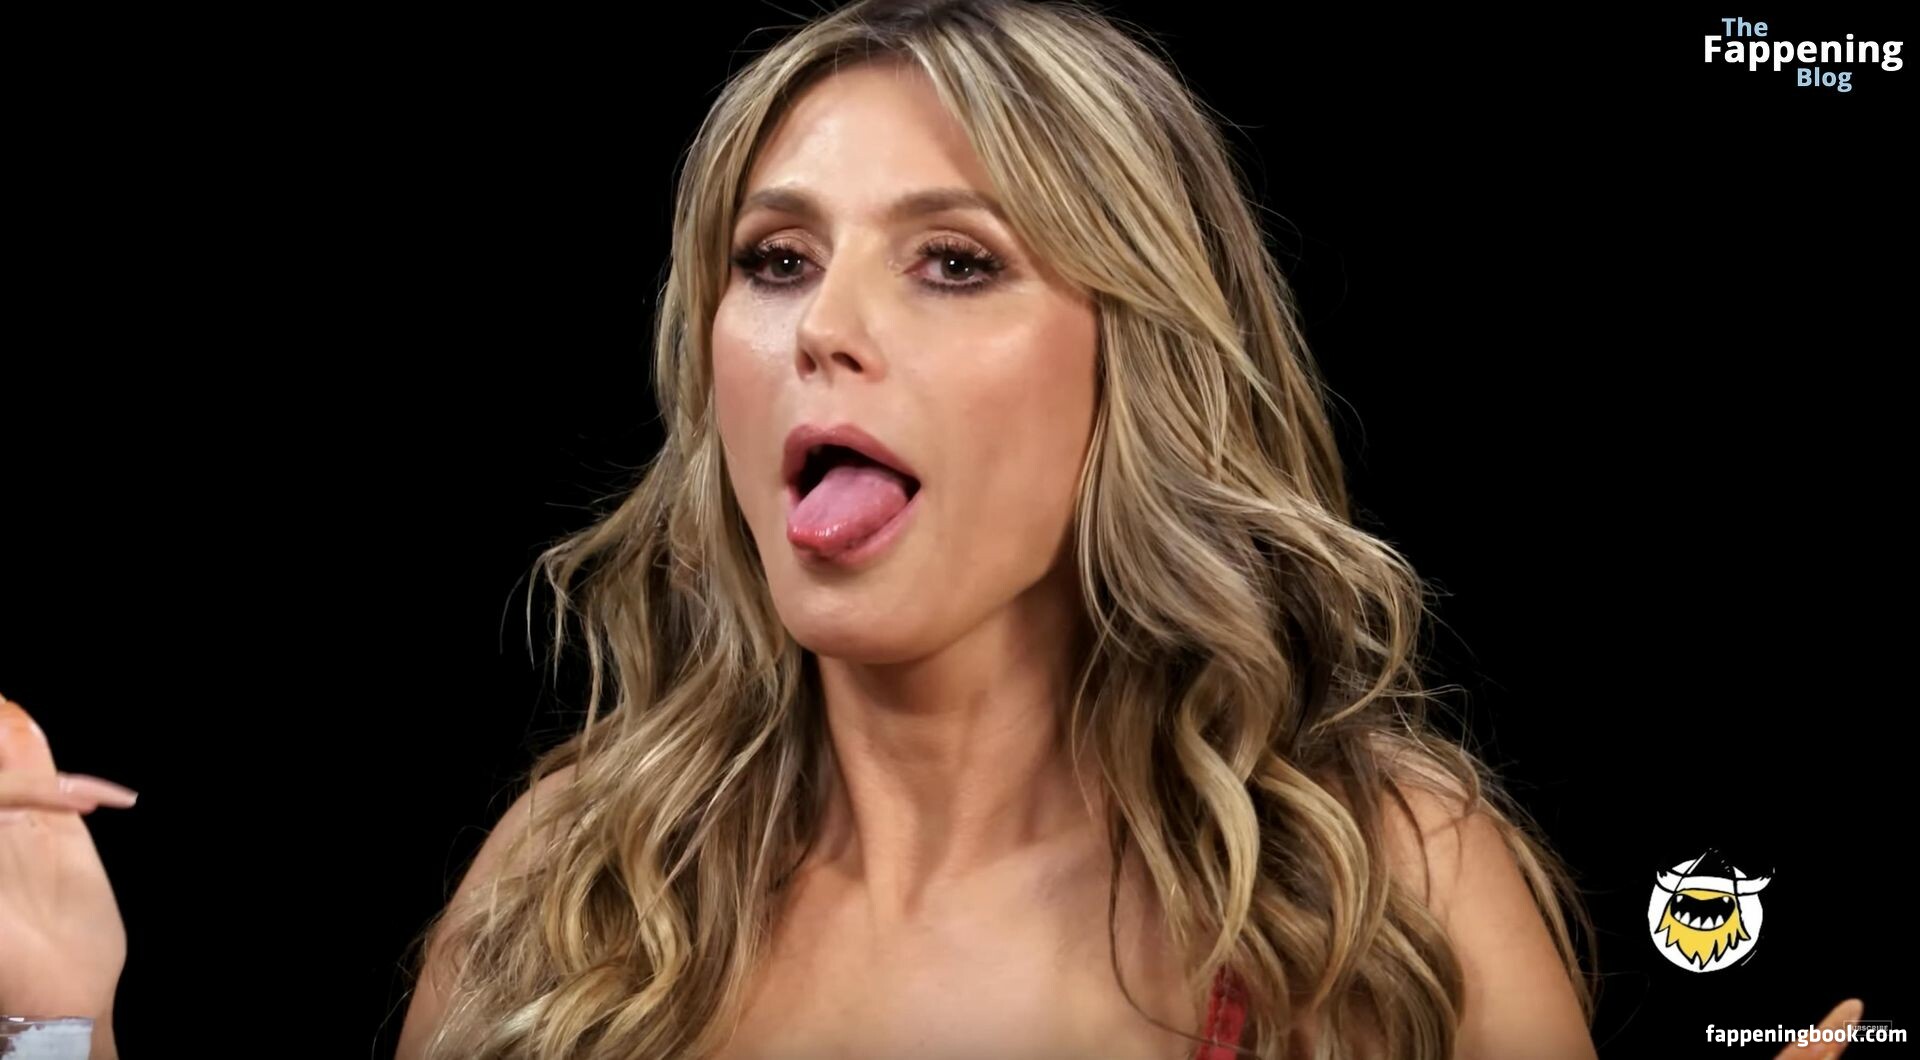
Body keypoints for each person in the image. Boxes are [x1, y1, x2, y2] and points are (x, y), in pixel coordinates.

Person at [0, 1, 1867, 1058]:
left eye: (954, 262)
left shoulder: (1377, 889)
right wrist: (57, 1024)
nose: (824, 327)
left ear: (1133, 360)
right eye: (775, 260)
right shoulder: (574, 887)